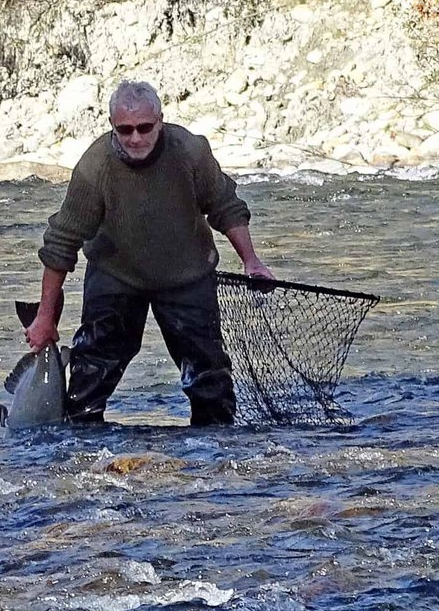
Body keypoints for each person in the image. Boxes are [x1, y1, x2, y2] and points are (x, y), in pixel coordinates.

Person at [25, 79, 273, 426]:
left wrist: (252, 261)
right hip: (116, 276)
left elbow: (225, 207)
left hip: (187, 276)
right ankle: (81, 451)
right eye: (125, 130)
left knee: (209, 381)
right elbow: (61, 244)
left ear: (160, 121)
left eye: (144, 128)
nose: (135, 138)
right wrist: (45, 317)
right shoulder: (95, 166)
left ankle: (216, 454)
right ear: (113, 126)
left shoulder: (189, 151)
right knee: (89, 379)